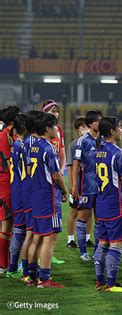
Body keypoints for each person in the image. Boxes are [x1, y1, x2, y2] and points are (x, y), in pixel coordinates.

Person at [27, 113, 67, 288]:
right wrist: (65, 191)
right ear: (47, 129)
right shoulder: (49, 148)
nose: (57, 129)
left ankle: (31, 277)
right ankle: (44, 279)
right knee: (49, 239)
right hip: (48, 198)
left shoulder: (33, 146)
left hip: (36, 196)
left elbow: (29, 170)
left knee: (37, 237)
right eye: (54, 127)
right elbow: (56, 174)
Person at [94, 117, 122, 292]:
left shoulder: (98, 151)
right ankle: (111, 284)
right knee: (117, 243)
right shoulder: (117, 152)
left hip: (101, 203)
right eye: (120, 127)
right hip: (116, 203)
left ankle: (100, 282)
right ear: (111, 131)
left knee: (102, 242)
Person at [72, 110, 103, 261]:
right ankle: (83, 252)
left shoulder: (104, 138)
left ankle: (98, 250)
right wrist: (75, 185)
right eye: (98, 120)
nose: (100, 122)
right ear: (91, 123)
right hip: (87, 185)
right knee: (83, 217)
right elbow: (76, 162)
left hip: (103, 186)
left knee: (100, 218)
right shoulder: (83, 140)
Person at [20, 110, 42, 282]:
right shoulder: (33, 142)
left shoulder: (26, 141)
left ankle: (27, 271)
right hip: (32, 190)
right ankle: (28, 273)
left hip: (27, 188)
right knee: (32, 233)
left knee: (32, 233)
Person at [6, 114, 27, 278]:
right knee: (27, 231)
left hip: (16, 190)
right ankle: (23, 268)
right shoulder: (23, 146)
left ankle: (13, 267)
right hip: (24, 192)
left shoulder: (15, 144)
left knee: (19, 229)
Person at [0, 105, 20, 272]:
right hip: (5, 185)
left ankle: (6, 263)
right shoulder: (5, 136)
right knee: (6, 225)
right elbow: (8, 163)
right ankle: (3, 265)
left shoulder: (9, 135)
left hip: (7, 184)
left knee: (9, 225)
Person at [65, 117, 90, 248]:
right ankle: (70, 239)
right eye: (83, 126)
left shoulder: (92, 143)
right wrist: (71, 184)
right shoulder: (74, 145)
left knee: (89, 211)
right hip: (78, 183)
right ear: (77, 129)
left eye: (87, 126)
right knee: (74, 212)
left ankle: (87, 238)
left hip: (89, 184)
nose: (85, 129)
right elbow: (70, 166)